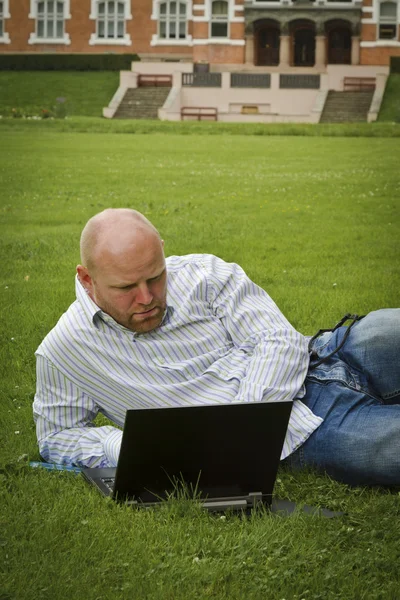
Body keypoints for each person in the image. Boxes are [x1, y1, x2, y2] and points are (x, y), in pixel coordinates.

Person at [33, 208, 400, 487]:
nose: (146, 298)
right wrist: (123, 443)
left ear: (162, 252)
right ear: (86, 277)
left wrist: (236, 427)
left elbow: (278, 340)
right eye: (126, 288)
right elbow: (56, 438)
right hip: (304, 433)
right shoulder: (64, 351)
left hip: (328, 353)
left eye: (156, 277)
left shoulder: (204, 274)